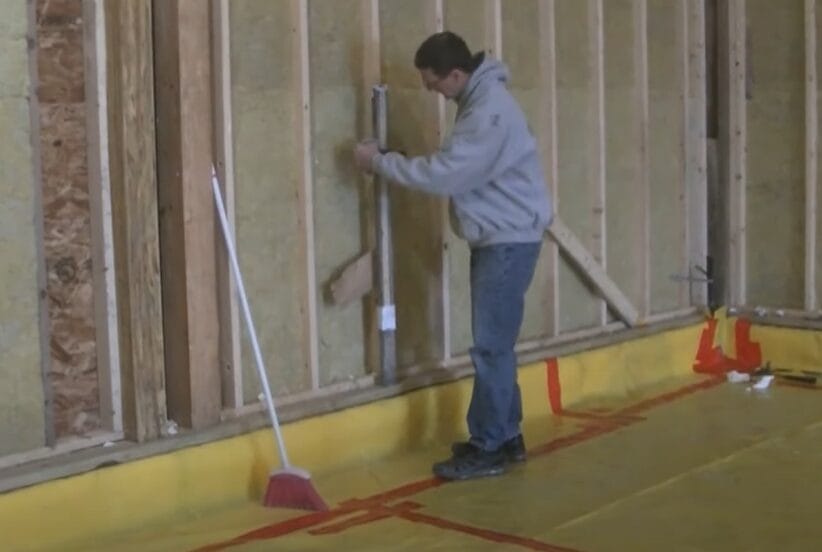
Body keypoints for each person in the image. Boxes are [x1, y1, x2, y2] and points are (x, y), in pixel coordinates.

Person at [353, 31, 553, 481]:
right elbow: (458, 166)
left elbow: (447, 174)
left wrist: (378, 163)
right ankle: (505, 436)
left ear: (457, 74)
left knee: (490, 348)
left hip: (506, 243)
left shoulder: (487, 113)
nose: (431, 92)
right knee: (497, 346)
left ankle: (489, 447)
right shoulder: (482, 104)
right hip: (504, 239)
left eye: (433, 83)